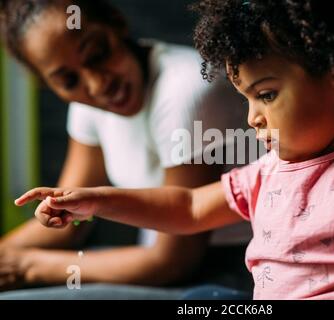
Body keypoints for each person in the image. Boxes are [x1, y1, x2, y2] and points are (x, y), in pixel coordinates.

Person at [16, 0, 334, 300]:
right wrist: (96, 201)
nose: (251, 118)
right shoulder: (270, 170)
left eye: (265, 95)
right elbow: (186, 206)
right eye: (245, 99)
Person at [0, 0, 252, 298]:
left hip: (231, 273)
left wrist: (30, 267)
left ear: (116, 23)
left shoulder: (187, 90)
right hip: (155, 263)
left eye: (97, 53)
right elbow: (68, 223)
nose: (96, 84)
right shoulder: (90, 104)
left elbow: (172, 260)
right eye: (68, 80)